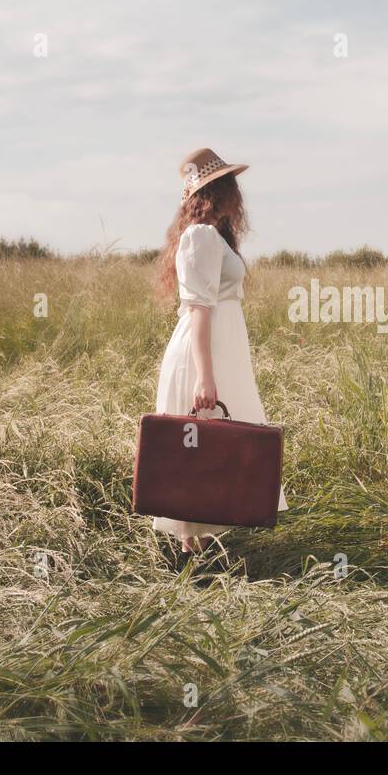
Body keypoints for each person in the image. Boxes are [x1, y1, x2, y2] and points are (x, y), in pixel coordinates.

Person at [152, 147, 287, 552]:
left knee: (212, 450)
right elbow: (198, 310)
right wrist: (206, 376)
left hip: (219, 349)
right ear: (218, 191)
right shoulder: (201, 236)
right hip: (203, 353)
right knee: (200, 449)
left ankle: (202, 557)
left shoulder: (211, 236)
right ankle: (197, 560)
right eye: (230, 185)